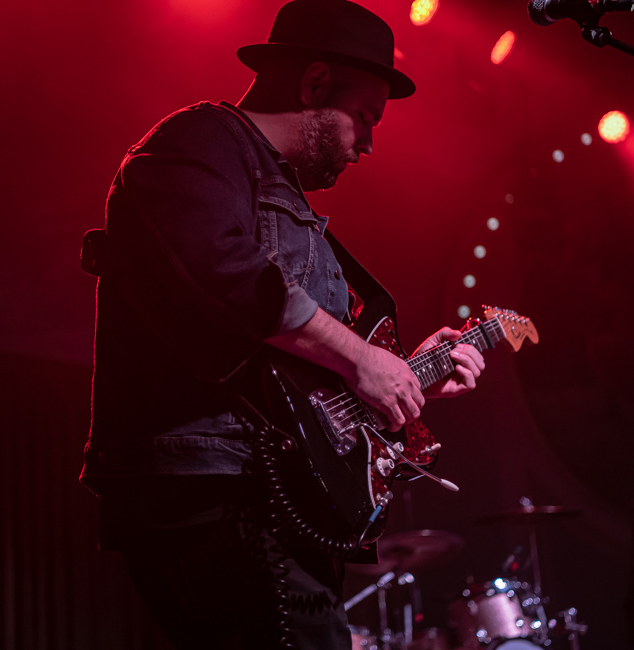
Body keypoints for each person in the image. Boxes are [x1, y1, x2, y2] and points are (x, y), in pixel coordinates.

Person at [80, 1, 486, 648]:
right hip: (217, 488)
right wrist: (360, 359)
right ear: (314, 82)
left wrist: (404, 377)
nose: (369, 144)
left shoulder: (282, 192)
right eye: (365, 116)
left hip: (272, 494)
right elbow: (226, 276)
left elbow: (295, 377)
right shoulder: (196, 142)